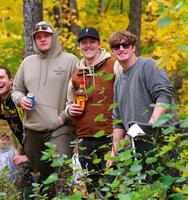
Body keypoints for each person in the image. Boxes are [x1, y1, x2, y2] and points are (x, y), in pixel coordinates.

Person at [12, 21, 79, 196]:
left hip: (60, 126)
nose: (42, 39)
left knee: (62, 169)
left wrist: (64, 116)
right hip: (33, 129)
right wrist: (21, 99)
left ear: (53, 36)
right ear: (34, 40)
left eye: (46, 36)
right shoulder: (27, 62)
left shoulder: (70, 60)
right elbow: (16, 90)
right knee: (43, 178)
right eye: (38, 37)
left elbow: (80, 92)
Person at [105, 31, 175, 169]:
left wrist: (149, 127)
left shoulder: (148, 65)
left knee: (167, 187)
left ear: (133, 47)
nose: (121, 48)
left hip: (161, 140)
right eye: (116, 46)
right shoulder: (118, 82)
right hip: (135, 146)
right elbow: (118, 121)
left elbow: (164, 95)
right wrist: (114, 153)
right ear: (112, 51)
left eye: (125, 44)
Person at [66, 27, 121, 192]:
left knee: (113, 187)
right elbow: (68, 103)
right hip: (85, 139)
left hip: (111, 136)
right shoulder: (76, 75)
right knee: (92, 187)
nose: (88, 46)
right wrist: (70, 110)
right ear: (79, 46)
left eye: (92, 42)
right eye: (84, 43)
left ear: (99, 44)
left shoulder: (114, 65)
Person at [0, 66, 32, 199]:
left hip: (43, 148)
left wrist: (29, 156)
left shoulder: (20, 99)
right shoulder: (1, 103)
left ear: (11, 81)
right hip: (26, 148)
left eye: (2, 77)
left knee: (21, 175)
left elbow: (37, 129)